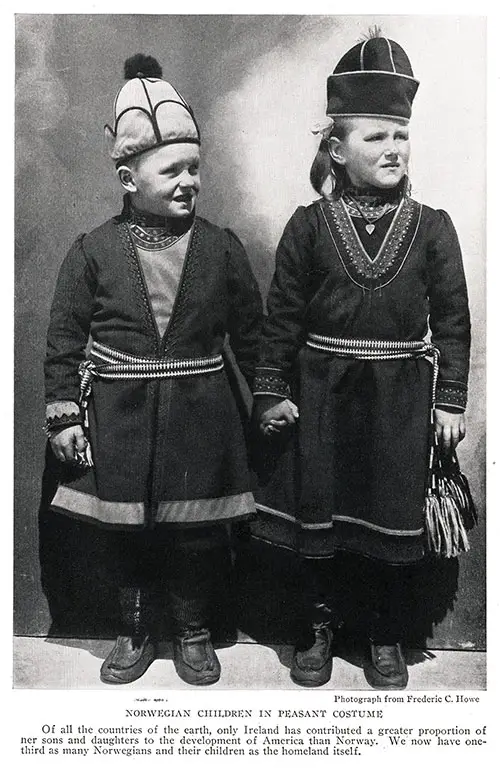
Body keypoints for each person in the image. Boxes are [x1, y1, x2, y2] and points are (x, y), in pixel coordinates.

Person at [252, 32, 471, 689]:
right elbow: (281, 319)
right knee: (321, 526)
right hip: (322, 397)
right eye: (375, 137)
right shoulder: (308, 226)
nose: (392, 150)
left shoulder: (434, 227)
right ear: (337, 150)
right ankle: (318, 628)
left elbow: (454, 325)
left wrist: (450, 401)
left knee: (388, 524)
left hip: (401, 403)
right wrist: (270, 391)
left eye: (400, 137)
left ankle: (382, 630)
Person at [44, 54, 262, 686]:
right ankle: (135, 630)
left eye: (195, 167)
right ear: (127, 177)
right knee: (128, 536)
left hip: (202, 416)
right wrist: (64, 415)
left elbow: (251, 335)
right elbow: (63, 340)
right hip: (122, 418)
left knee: (195, 535)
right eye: (172, 170)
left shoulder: (221, 249)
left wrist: (268, 398)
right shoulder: (91, 251)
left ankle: (193, 634)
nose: (188, 179)